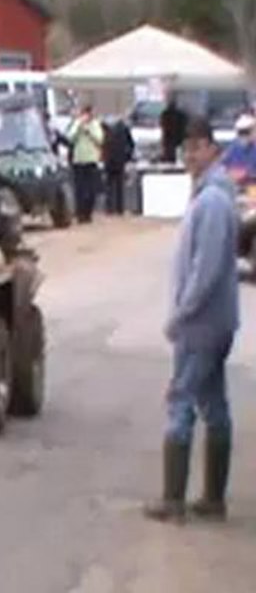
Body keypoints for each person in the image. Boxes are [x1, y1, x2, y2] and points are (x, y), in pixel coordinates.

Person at [144, 116, 240, 523]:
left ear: (211, 150)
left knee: (181, 401)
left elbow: (206, 268)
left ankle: (174, 500)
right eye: (186, 150)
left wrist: (180, 315)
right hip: (214, 321)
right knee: (213, 404)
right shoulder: (210, 196)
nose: (189, 157)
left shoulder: (213, 202)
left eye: (196, 149)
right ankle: (212, 498)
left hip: (201, 323)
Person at [66, 104, 105, 223]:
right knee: (80, 189)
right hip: (79, 160)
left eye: (88, 114)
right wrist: (79, 127)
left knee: (91, 189)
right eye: (84, 114)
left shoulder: (95, 125)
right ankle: (80, 214)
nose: (86, 116)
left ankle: (88, 213)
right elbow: (70, 138)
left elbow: (100, 139)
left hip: (91, 160)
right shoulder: (77, 123)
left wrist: (89, 131)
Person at [102, 112, 135, 215]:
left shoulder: (105, 129)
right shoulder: (124, 128)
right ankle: (119, 208)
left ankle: (109, 208)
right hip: (120, 159)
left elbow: (102, 144)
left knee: (109, 185)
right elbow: (131, 144)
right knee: (118, 185)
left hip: (109, 160)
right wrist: (128, 156)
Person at [221, 113, 256, 184]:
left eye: (246, 132)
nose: (244, 135)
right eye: (241, 132)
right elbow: (223, 166)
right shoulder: (233, 147)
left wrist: (247, 174)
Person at [159, 91, 188, 164]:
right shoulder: (181, 114)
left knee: (170, 152)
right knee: (176, 152)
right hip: (177, 137)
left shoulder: (166, 114)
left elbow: (163, 125)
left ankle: (170, 159)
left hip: (169, 137)